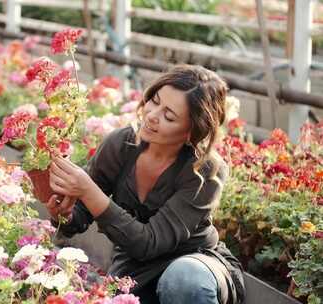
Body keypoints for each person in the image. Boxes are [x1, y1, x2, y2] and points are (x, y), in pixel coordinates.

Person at [46, 65, 245, 304]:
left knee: (183, 280)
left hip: (195, 265)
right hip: (133, 269)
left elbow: (148, 243)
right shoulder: (121, 145)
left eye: (169, 116)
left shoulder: (205, 171)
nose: (152, 114)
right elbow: (79, 217)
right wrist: (63, 214)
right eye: (154, 100)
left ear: (191, 132)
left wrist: (88, 190)